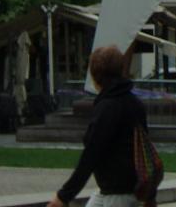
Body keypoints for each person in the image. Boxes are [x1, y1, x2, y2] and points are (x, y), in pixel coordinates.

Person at [48, 44, 148, 207]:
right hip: (124, 188)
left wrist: (63, 196)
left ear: (95, 76)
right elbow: (144, 150)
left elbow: (90, 155)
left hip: (117, 192)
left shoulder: (107, 108)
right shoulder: (135, 103)